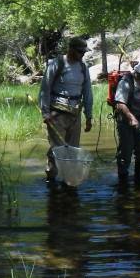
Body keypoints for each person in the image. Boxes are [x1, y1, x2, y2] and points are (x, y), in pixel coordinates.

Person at [38, 37, 93, 183]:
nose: (83, 54)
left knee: (73, 150)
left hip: (75, 116)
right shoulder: (57, 64)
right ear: (71, 49)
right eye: (80, 51)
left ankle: (68, 181)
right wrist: (45, 112)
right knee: (58, 149)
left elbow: (88, 92)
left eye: (84, 52)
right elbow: (45, 89)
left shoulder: (83, 67)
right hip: (56, 115)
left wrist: (89, 116)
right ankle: (51, 178)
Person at [114, 58, 140, 183]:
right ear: (139, 72)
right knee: (125, 154)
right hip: (125, 121)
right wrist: (131, 118)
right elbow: (120, 104)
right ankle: (123, 182)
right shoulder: (125, 82)